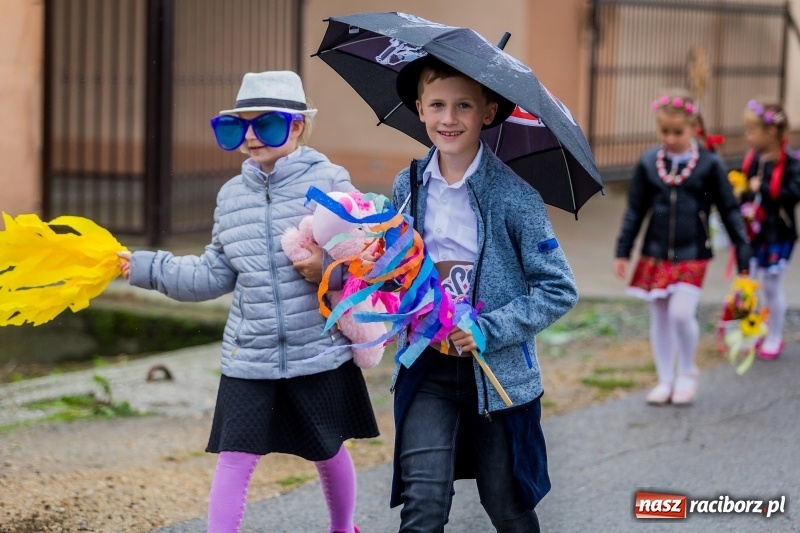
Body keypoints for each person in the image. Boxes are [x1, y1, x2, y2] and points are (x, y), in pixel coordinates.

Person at [118, 71, 376, 533]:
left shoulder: (331, 182)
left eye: (268, 124)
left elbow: (367, 260)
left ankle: (344, 529)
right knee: (235, 459)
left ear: (297, 126)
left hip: (316, 349)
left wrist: (328, 268)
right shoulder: (231, 195)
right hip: (249, 354)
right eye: (239, 126)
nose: (253, 136)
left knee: (328, 449)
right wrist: (143, 267)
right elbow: (212, 273)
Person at [384, 55, 578, 532]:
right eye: (438, 105)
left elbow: (558, 288)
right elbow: (395, 274)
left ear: (488, 113)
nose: (449, 119)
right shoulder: (406, 187)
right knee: (423, 507)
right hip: (426, 365)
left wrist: (487, 329)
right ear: (420, 109)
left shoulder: (516, 196)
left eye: (464, 106)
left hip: (496, 377)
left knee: (508, 507)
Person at [614, 92, 751, 406]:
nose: (671, 138)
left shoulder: (709, 164)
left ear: (693, 128)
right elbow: (635, 210)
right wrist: (623, 250)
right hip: (654, 253)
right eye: (665, 132)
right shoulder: (649, 162)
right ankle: (665, 378)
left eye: (678, 132)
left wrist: (742, 250)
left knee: (679, 314)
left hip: (693, 252)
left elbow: (730, 209)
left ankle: (687, 371)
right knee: (659, 317)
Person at [737, 99, 800, 359]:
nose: (747, 136)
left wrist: (759, 188)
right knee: (748, 285)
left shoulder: (792, 164)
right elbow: (745, 193)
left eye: (752, 131)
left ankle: (774, 336)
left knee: (772, 287)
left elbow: (792, 194)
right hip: (753, 233)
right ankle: (752, 331)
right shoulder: (752, 159)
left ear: (771, 133)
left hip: (778, 235)